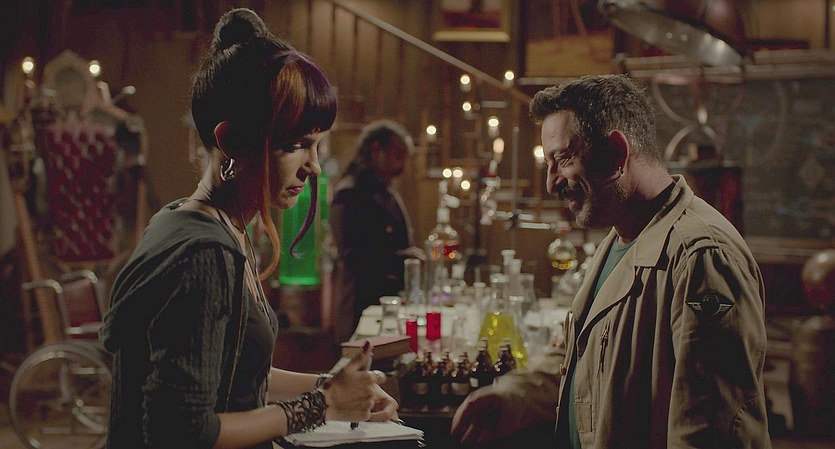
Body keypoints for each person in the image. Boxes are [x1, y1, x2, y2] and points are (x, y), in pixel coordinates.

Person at [99, 9, 397, 449]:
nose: (313, 166)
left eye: (317, 145)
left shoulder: (203, 222)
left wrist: (334, 387)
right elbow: (180, 431)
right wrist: (321, 406)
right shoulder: (204, 254)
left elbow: (234, 372)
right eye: (295, 145)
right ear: (229, 141)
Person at [451, 74, 771, 448]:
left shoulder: (702, 256)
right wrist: (514, 397)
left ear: (617, 154)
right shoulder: (621, 238)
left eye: (562, 159)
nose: (552, 183)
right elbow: (582, 356)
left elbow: (712, 429)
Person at [329, 119, 422, 343]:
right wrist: (402, 259)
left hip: (387, 307)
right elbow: (354, 257)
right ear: (376, 150)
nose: (402, 165)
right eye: (398, 154)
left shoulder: (384, 191)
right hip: (361, 308)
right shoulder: (350, 193)